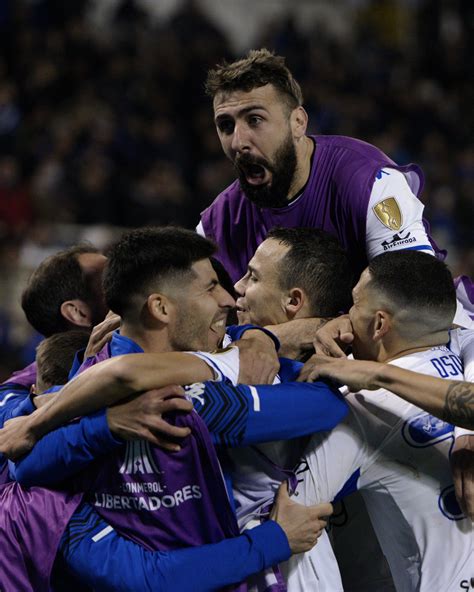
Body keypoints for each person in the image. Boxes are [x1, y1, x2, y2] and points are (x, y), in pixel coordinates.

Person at [1, 227, 340, 591]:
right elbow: (327, 405)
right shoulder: (187, 405)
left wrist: (262, 336)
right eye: (211, 287)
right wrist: (276, 539)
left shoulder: (86, 381)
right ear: (160, 307)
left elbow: (25, 456)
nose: (229, 298)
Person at [198, 48, 473, 333]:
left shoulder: (368, 182)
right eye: (226, 126)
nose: (238, 141)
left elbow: (419, 300)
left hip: (422, 337)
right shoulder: (216, 223)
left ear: (298, 122)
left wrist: (297, 333)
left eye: (254, 120)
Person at [284, 251, 472, 591]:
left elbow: (291, 518)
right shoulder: (464, 357)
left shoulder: (364, 408)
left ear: (380, 323)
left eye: (354, 304)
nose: (344, 318)